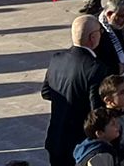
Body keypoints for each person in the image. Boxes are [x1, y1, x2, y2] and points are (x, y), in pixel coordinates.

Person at [41, 16, 111, 166]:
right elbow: (96, 110)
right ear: (92, 37)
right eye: (100, 32)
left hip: (56, 137)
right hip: (80, 145)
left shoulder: (57, 59)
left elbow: (46, 92)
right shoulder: (96, 68)